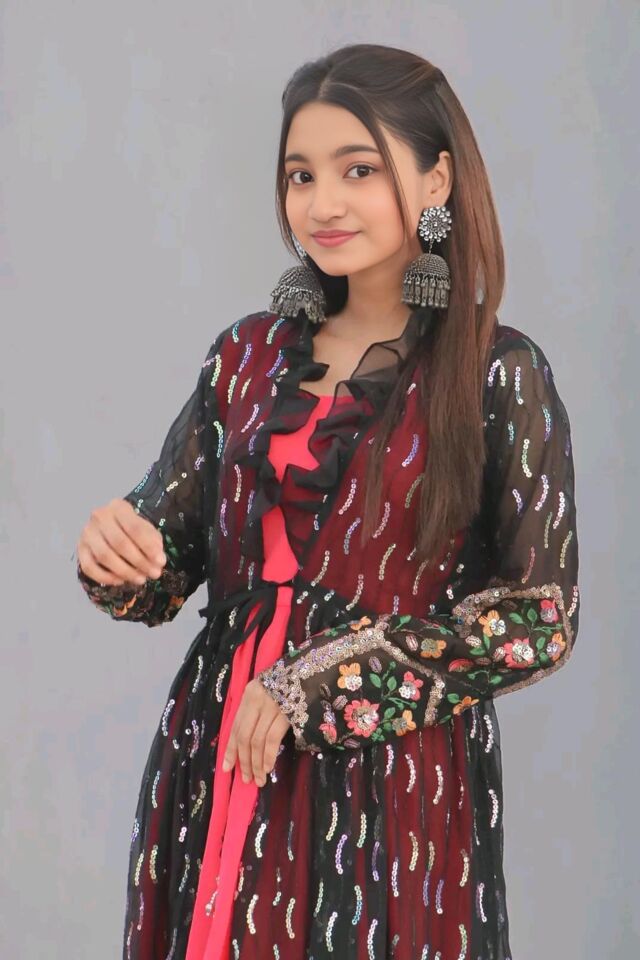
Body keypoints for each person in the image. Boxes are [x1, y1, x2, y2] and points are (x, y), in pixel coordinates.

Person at [76, 42, 580, 960]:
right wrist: (119, 554)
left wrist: (333, 682)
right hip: (223, 747)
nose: (323, 204)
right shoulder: (245, 357)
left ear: (436, 180)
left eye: (358, 170)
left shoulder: (496, 370)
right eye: (300, 175)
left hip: (389, 778)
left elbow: (537, 620)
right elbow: (165, 564)